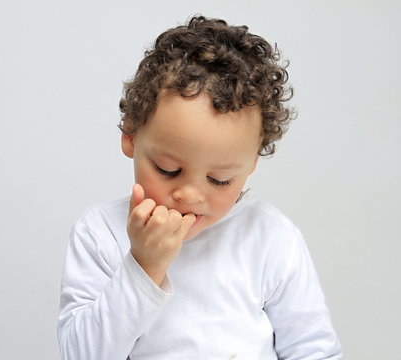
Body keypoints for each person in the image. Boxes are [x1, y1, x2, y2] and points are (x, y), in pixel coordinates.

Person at [57, 15, 342, 359]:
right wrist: (142, 266)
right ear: (130, 135)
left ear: (252, 162)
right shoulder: (101, 233)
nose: (190, 196)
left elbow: (313, 349)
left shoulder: (271, 238)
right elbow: (82, 354)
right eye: (168, 169)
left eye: (219, 179)